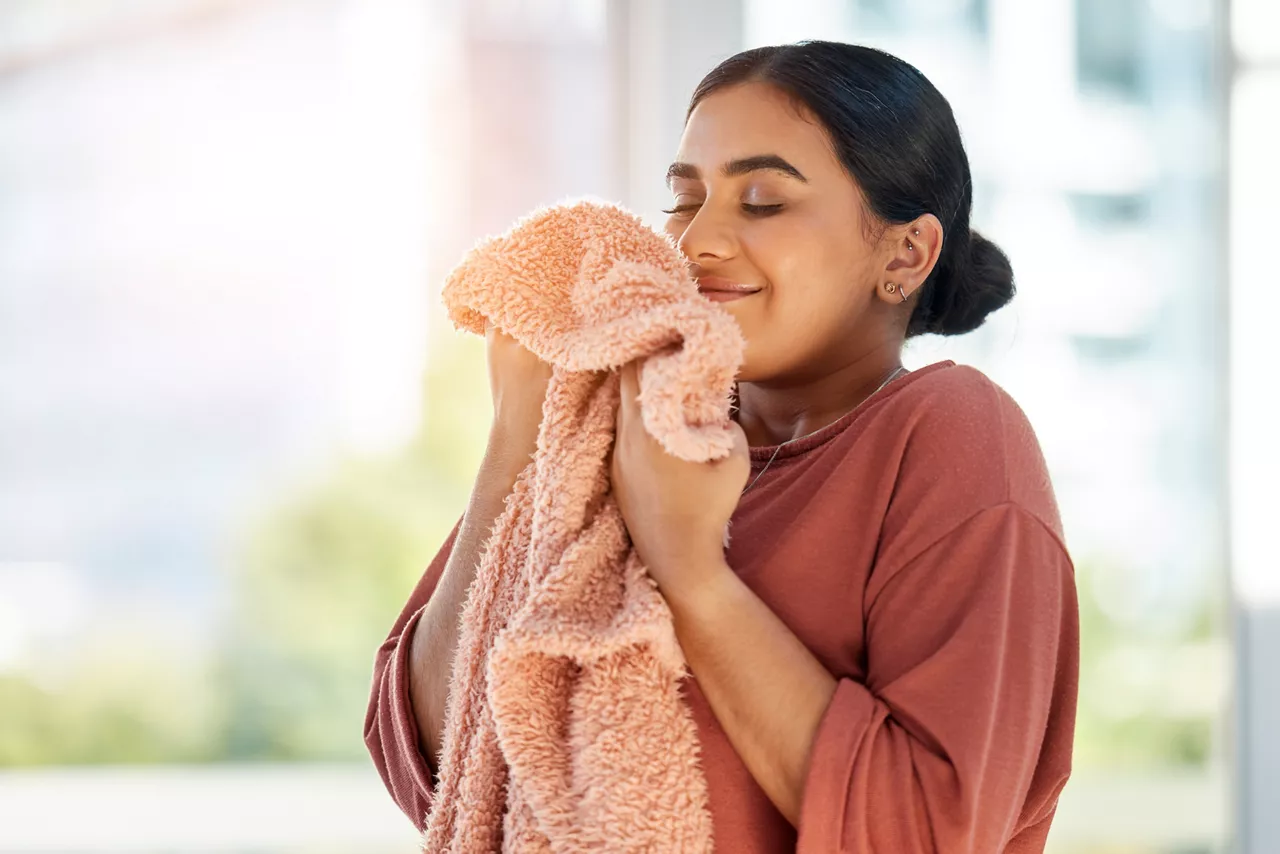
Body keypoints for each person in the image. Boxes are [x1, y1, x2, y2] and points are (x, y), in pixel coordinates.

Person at [366, 40, 1078, 853]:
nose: (698, 240)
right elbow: (435, 768)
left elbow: (925, 832)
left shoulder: (951, 433)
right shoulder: (621, 424)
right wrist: (511, 455)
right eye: (685, 199)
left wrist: (693, 575)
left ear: (905, 254)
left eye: (764, 200)